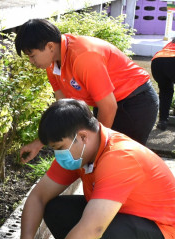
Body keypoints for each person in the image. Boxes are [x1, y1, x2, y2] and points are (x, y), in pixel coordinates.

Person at [17, 98, 175, 239]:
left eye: (59, 148)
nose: (58, 155)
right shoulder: (79, 151)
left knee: (97, 234)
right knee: (56, 210)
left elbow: (94, 229)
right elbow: (39, 197)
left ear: (83, 136)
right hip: (129, 223)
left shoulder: (119, 156)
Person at [15, 18, 159, 163]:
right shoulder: (53, 66)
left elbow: (108, 107)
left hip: (136, 103)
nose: (31, 62)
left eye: (32, 56)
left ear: (50, 46)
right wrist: (39, 142)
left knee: (121, 162)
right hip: (108, 104)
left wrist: (96, 149)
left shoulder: (83, 56)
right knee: (99, 161)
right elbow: (65, 113)